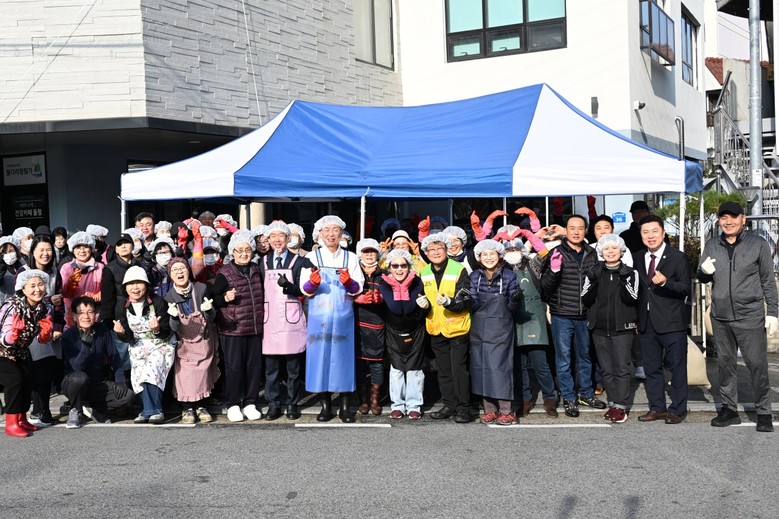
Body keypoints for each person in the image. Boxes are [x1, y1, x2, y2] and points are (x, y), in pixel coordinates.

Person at [698, 202, 778, 432]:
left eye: (733, 217)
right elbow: (702, 277)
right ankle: (729, 409)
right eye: (724, 217)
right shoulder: (712, 245)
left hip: (749, 315)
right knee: (726, 365)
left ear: (743, 219)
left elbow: (768, 281)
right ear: (719, 221)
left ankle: (764, 411)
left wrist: (773, 312)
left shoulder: (758, 244)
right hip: (720, 316)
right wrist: (703, 271)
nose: (728, 222)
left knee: (757, 365)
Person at [300, 215, 365, 423]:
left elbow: (358, 287)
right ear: (319, 234)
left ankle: (345, 407)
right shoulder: (312, 257)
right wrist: (311, 283)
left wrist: (349, 283)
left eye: (335, 230)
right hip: (318, 317)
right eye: (326, 230)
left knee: (343, 360)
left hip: (343, 317)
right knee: (321, 359)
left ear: (341, 233)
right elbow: (304, 288)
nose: (330, 234)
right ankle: (325, 406)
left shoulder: (351, 257)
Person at [540, 214, 606, 417]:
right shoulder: (556, 252)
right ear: (565, 231)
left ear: (586, 230)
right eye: (572, 228)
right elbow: (545, 287)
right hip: (562, 314)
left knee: (585, 357)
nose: (576, 232)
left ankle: (586, 394)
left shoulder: (592, 253)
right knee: (564, 359)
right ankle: (569, 397)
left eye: (580, 228)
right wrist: (554, 270)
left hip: (585, 314)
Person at [635, 215, 691, 425]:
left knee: (677, 367)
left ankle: (678, 408)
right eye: (645, 232)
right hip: (646, 321)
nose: (650, 236)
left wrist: (666, 282)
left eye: (654, 231)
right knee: (651, 368)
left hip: (672, 322)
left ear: (663, 233)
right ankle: (657, 407)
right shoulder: (638, 257)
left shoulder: (677, 257)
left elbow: (686, 288)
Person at [581, 234, 639, 424]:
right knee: (606, 369)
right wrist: (593, 279)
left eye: (614, 248)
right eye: (606, 249)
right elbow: (585, 298)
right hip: (599, 328)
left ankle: (621, 406)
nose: (611, 252)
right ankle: (613, 403)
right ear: (601, 251)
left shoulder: (631, 273)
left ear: (621, 250)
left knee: (621, 368)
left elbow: (632, 298)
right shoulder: (594, 272)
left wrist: (624, 277)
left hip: (622, 328)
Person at [257, 221, 311, 421]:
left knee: (293, 369)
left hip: (291, 320)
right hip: (270, 320)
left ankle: (292, 404)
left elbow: (308, 288)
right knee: (271, 369)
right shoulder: (261, 262)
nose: (277, 240)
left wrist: (290, 287)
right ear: (268, 240)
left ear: (288, 239)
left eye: (281, 236)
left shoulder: (301, 262)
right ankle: (273, 404)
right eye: (273, 236)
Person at [211, 230, 265, 422]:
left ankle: (250, 402)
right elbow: (211, 298)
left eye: (247, 249)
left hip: (255, 327)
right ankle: (233, 404)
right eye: (239, 250)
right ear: (232, 252)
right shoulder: (225, 273)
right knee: (234, 368)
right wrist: (224, 298)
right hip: (233, 328)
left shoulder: (257, 269)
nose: (244, 253)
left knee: (254, 367)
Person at [420, 232, 473, 424]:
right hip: (436, 327)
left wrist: (450, 302)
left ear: (446, 250)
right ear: (426, 253)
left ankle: (464, 408)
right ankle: (449, 404)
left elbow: (466, 298)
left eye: (439, 249)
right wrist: (423, 305)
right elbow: (423, 296)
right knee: (443, 370)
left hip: (457, 326)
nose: (435, 252)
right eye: (431, 250)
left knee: (459, 369)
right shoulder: (424, 271)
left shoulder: (459, 268)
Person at [469, 239, 521, 426]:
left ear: (499, 256)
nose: (489, 257)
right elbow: (474, 304)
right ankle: (489, 409)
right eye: (485, 254)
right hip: (479, 328)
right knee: (481, 368)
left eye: (492, 254)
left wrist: (515, 299)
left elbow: (512, 307)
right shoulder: (475, 276)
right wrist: (467, 300)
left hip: (501, 327)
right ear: (479, 257)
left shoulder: (508, 275)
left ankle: (507, 411)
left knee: (501, 368)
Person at [61, 296, 134, 428]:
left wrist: (120, 381)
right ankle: (75, 410)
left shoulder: (102, 330)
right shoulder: (68, 336)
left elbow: (115, 357)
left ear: (95, 314)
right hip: (73, 382)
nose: (86, 316)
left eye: (90, 312)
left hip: (97, 382)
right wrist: (85, 346)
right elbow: (76, 367)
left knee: (127, 396)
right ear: (75, 316)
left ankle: (93, 408)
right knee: (80, 379)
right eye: (81, 313)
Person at [114, 265, 174, 424]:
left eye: (139, 283)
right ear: (125, 287)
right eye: (130, 284)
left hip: (160, 344)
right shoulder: (122, 306)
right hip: (137, 345)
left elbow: (167, 332)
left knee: (151, 370)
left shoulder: (158, 302)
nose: (135, 287)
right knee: (138, 376)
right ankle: (147, 409)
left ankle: (155, 410)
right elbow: (128, 337)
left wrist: (157, 330)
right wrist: (121, 333)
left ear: (146, 285)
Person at [164, 257, 219, 424]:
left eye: (182, 268)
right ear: (170, 275)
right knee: (185, 375)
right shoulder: (168, 296)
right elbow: (173, 327)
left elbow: (212, 316)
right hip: (183, 343)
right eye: (175, 270)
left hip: (204, 340)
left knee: (203, 373)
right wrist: (174, 318)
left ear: (188, 271)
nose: (179, 272)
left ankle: (202, 405)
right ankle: (187, 407)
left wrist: (208, 311)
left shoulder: (201, 288)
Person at [0, 269, 54, 437]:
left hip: (21, 351)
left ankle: (22, 418)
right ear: (22, 288)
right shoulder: (12, 306)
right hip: (2, 351)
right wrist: (13, 334)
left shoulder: (45, 307)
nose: (37, 289)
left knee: (28, 379)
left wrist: (45, 334)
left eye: (40, 284)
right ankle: (11, 422)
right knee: (14, 380)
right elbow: (3, 337)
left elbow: (40, 339)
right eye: (32, 286)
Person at [379, 249, 427, 419]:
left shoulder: (417, 282)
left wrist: (405, 288)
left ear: (409, 266)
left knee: (415, 369)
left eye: (403, 265)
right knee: (396, 369)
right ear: (389, 268)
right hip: (393, 330)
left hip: (415, 330)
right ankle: (397, 405)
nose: (399, 269)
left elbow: (406, 308)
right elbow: (395, 308)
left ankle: (414, 405)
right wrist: (400, 288)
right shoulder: (384, 283)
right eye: (395, 266)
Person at [23, 235, 66, 427]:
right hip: (30, 327)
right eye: (41, 250)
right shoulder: (24, 273)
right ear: (33, 252)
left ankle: (45, 411)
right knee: (35, 369)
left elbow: (61, 303)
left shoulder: (56, 272)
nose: (45, 254)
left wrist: (58, 326)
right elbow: (22, 300)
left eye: (48, 250)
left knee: (48, 369)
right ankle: (36, 411)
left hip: (49, 327)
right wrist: (48, 300)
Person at [353, 238, 387, 416]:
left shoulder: (384, 274)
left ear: (378, 254)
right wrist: (355, 298)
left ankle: (375, 400)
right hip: (357, 323)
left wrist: (382, 298)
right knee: (359, 365)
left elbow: (391, 297)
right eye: (366, 252)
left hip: (377, 324)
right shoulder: (354, 272)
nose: (369, 255)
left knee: (376, 364)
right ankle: (363, 400)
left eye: (372, 252)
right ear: (360, 254)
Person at [60, 231, 105, 328]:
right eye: (78, 247)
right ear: (73, 250)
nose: (82, 250)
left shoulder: (100, 268)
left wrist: (99, 295)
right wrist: (70, 283)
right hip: (72, 317)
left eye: (85, 247)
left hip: (94, 315)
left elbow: (107, 290)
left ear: (91, 249)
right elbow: (64, 293)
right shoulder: (66, 268)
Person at [1, 236, 25, 305]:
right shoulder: (2, 268)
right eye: (4, 252)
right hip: (3, 306)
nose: (8, 254)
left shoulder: (22, 265)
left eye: (11, 251)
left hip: (20, 305)